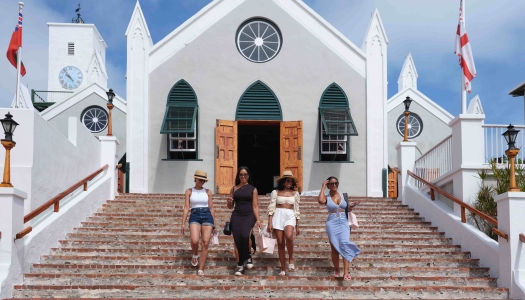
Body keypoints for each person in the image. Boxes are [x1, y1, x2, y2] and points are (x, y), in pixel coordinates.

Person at [317, 176, 360, 280]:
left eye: (336, 183)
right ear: (328, 185)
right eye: (331, 184)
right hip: (332, 222)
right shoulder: (326, 197)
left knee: (345, 244)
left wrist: (351, 206)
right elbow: (320, 201)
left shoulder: (343, 195)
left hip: (344, 221)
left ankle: (346, 272)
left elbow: (347, 209)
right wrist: (322, 187)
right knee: (334, 248)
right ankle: (337, 269)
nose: (334, 185)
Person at [227, 166, 262, 276]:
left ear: (248, 176)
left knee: (245, 234)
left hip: (249, 215)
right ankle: (240, 265)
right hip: (237, 215)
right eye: (241, 174)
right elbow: (230, 206)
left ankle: (248, 255)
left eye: (245, 174)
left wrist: (258, 220)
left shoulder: (253, 189)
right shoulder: (234, 189)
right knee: (237, 240)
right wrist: (229, 202)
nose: (243, 176)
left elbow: (255, 206)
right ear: (238, 176)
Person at [181, 170, 216, 276]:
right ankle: (195, 254)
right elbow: (187, 207)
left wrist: (214, 224)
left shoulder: (208, 191)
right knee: (195, 240)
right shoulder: (189, 191)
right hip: (195, 215)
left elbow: (211, 208)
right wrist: (182, 223)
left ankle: (201, 268)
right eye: (200, 179)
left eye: (204, 180)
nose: (202, 182)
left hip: (207, 215)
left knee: (205, 242)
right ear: (195, 179)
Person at [267, 170, 300, 276]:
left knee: (289, 236)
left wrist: (297, 224)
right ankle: (283, 268)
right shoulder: (275, 192)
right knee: (280, 243)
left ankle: (291, 259)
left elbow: (296, 209)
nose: (289, 183)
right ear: (283, 182)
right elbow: (271, 207)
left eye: (291, 181)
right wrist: (269, 222)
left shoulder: (295, 193)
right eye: (287, 181)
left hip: (290, 215)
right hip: (278, 215)